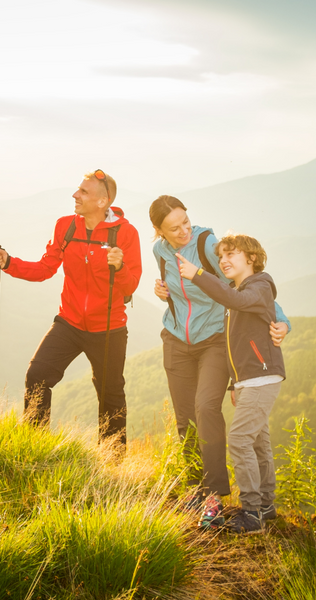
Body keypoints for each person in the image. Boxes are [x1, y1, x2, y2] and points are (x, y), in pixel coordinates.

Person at [150, 195, 289, 528]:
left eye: (186, 222)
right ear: (159, 231)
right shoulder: (160, 251)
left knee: (205, 409)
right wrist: (162, 289)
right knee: (186, 420)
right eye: (174, 228)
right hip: (175, 340)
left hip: (213, 340)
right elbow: (174, 284)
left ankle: (215, 493)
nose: (183, 230)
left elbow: (248, 289)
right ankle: (195, 488)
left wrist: (282, 322)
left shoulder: (206, 244)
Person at [0, 170, 142, 445]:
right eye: (78, 190)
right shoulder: (66, 227)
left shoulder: (126, 233)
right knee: (37, 375)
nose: (75, 195)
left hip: (108, 327)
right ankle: (33, 445)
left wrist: (119, 267)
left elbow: (130, 286)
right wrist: (10, 263)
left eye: (83, 192)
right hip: (69, 322)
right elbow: (45, 268)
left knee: (111, 395)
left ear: (102, 201)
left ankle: (112, 460)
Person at [177, 234, 285, 533]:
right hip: (250, 379)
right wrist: (234, 384)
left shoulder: (260, 286)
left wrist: (198, 274)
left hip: (263, 375)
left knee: (239, 440)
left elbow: (233, 299)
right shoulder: (240, 291)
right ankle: (265, 505)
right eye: (221, 256)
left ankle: (251, 513)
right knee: (258, 443)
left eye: (231, 254)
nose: (224, 260)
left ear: (251, 258)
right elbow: (233, 344)